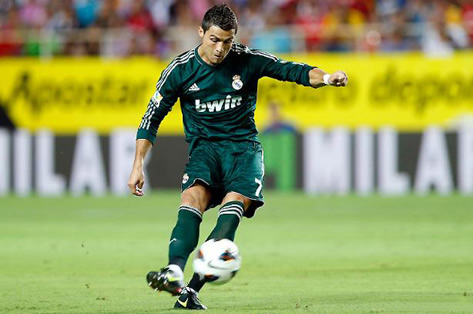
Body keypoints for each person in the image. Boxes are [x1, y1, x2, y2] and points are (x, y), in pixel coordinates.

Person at [127, 4, 347, 310]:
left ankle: (191, 289)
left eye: (227, 42)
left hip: (244, 151)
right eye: (214, 40)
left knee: (233, 207)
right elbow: (151, 118)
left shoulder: (248, 60)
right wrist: (138, 163)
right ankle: (174, 270)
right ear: (200, 32)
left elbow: (292, 70)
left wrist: (326, 78)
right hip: (205, 151)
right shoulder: (180, 70)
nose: (220, 49)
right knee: (191, 200)